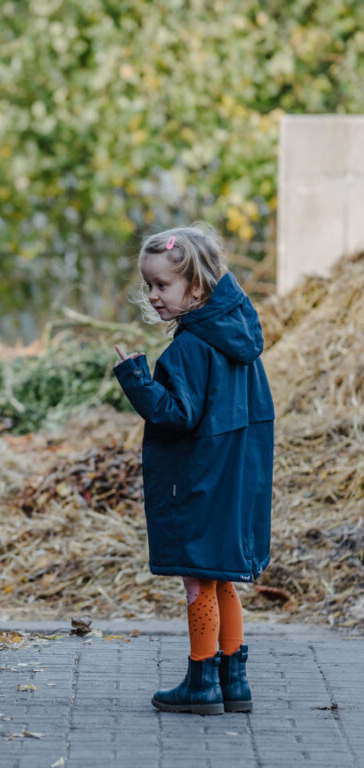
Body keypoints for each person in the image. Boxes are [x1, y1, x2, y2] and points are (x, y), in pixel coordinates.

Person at [112, 223, 273, 715]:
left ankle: (201, 680)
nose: (154, 296)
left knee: (197, 579)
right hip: (236, 477)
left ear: (196, 287)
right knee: (220, 575)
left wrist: (137, 378)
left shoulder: (188, 348)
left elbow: (176, 415)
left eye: (162, 285)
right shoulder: (237, 338)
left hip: (199, 477)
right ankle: (233, 680)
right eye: (149, 285)